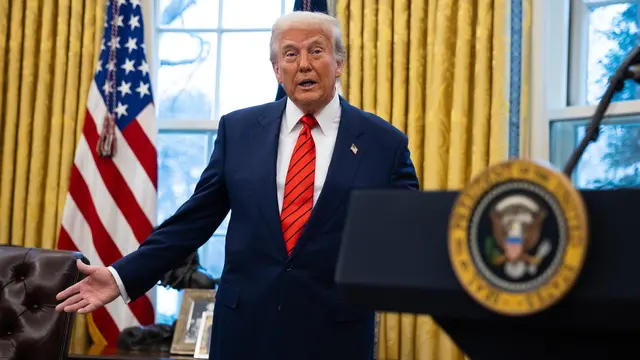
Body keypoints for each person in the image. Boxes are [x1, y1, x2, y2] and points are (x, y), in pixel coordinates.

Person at [56, 10, 419, 360]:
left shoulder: (383, 143)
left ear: (338, 63)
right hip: (245, 330)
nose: (303, 64)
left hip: (335, 333)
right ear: (277, 70)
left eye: (317, 50)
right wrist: (120, 277)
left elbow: (407, 231)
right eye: (290, 54)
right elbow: (191, 223)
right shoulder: (239, 131)